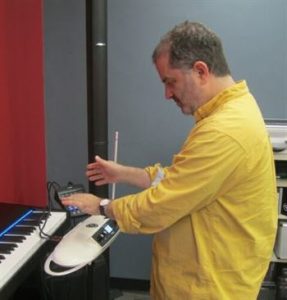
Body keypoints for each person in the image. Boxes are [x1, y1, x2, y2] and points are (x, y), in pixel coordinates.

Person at [61, 21, 278, 299]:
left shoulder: (225, 130)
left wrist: (102, 206)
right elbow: (182, 179)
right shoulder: (230, 112)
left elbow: (160, 206)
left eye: (170, 81)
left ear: (201, 71)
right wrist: (124, 173)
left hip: (207, 287)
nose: (167, 94)